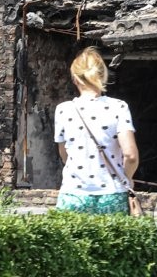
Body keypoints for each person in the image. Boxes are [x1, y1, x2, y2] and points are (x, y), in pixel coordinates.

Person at [54, 46, 139, 214]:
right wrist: (127, 178)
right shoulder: (118, 107)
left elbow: (64, 154)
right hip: (112, 194)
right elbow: (130, 155)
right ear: (103, 76)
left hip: (72, 194)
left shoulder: (63, 109)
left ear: (75, 79)